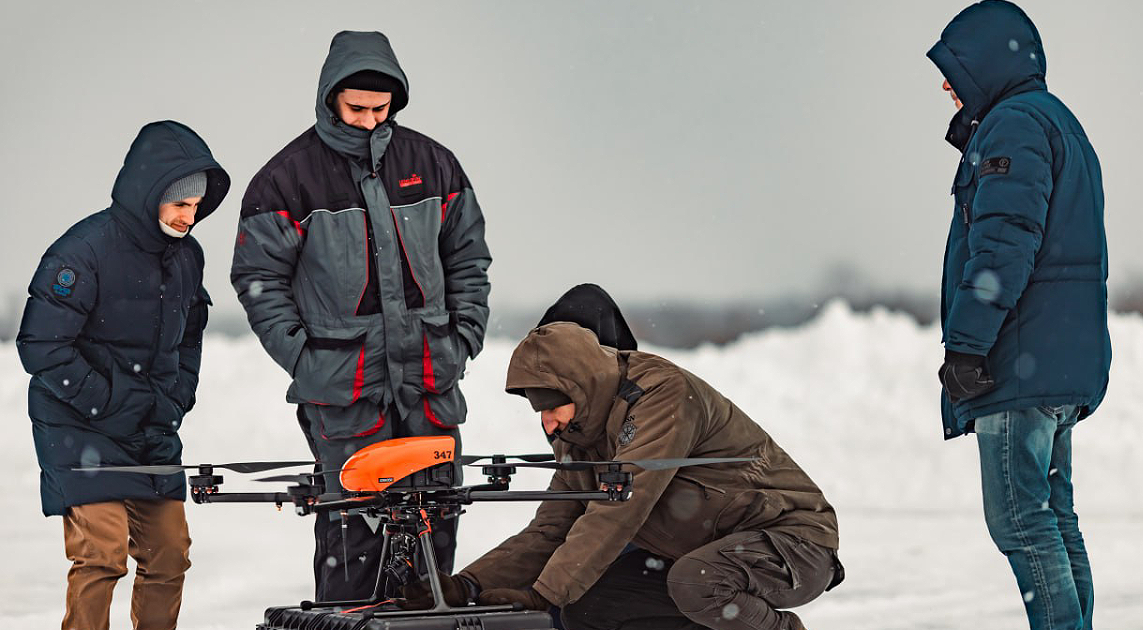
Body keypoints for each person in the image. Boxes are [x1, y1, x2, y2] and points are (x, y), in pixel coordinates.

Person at [230, 30, 491, 601]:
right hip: (345, 390)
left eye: (381, 108)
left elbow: (469, 257)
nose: (371, 120)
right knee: (356, 532)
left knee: (435, 524)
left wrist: (464, 335)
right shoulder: (285, 179)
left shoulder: (435, 164)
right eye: (357, 109)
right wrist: (304, 356)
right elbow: (258, 281)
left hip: (428, 382)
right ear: (330, 100)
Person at [411, 322, 842, 630]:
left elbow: (620, 508)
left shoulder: (662, 394)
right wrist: (466, 585)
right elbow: (549, 530)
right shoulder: (579, 435)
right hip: (702, 555)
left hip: (794, 545)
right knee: (587, 608)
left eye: (552, 408)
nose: (547, 425)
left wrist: (543, 594)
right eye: (538, 412)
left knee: (696, 582)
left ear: (581, 389)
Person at [928, 2, 1109, 629]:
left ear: (984, 63)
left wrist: (967, 347)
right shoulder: (1058, 123)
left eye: (953, 70)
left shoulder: (1013, 127)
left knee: (1019, 518)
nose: (946, 86)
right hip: (1055, 361)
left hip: (1019, 362)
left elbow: (1004, 245)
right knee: (1053, 515)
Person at [16, 120, 229, 630]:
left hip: (150, 427)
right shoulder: (84, 250)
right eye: (179, 204)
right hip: (78, 427)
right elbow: (41, 345)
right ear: (148, 193)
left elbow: (191, 334)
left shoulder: (187, 257)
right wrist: (109, 401)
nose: (188, 217)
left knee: (170, 554)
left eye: (196, 207)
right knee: (103, 554)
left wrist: (178, 394)